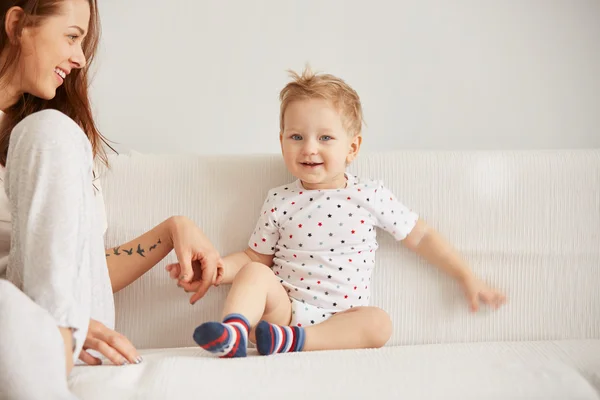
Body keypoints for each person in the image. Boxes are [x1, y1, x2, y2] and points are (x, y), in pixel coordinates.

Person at [169, 67, 506, 358]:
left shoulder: (369, 195)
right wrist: (215, 268)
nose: (309, 148)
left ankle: (297, 342)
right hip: (283, 312)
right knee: (256, 277)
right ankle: (234, 333)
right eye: (296, 136)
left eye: (325, 137)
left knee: (379, 323)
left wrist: (466, 275)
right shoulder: (279, 200)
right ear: (282, 141)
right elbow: (255, 260)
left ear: (353, 147)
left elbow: (422, 236)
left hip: (342, 320)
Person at [0, 1, 221, 398]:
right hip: (12, 323)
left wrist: (171, 231)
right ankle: (56, 341)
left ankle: (58, 341)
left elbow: (77, 269)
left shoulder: (58, 140)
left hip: (66, 336)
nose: (79, 58)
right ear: (17, 24)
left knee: (51, 130)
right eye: (72, 37)